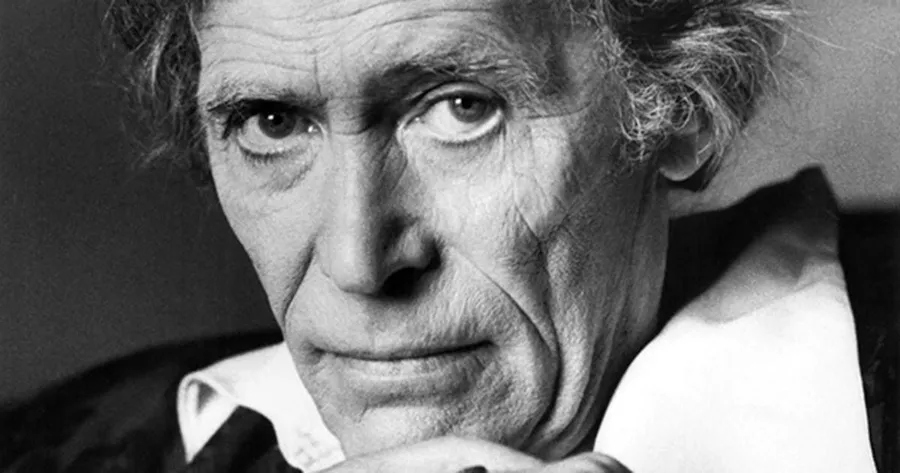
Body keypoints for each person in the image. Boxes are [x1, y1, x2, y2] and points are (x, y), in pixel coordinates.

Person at [0, 0, 881, 472]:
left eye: (462, 108)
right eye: (272, 122)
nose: (357, 260)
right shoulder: (60, 447)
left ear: (690, 100)